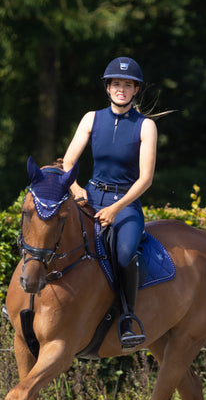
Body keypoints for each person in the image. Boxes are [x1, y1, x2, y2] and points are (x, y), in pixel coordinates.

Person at [63, 56, 158, 348]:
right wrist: (76, 188)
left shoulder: (146, 126)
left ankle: (128, 317)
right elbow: (68, 161)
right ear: (107, 87)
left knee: (125, 253)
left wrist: (116, 209)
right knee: (53, 233)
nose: (121, 89)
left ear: (135, 90)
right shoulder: (91, 118)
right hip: (91, 195)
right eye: (116, 84)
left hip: (126, 202)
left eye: (127, 85)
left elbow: (146, 180)